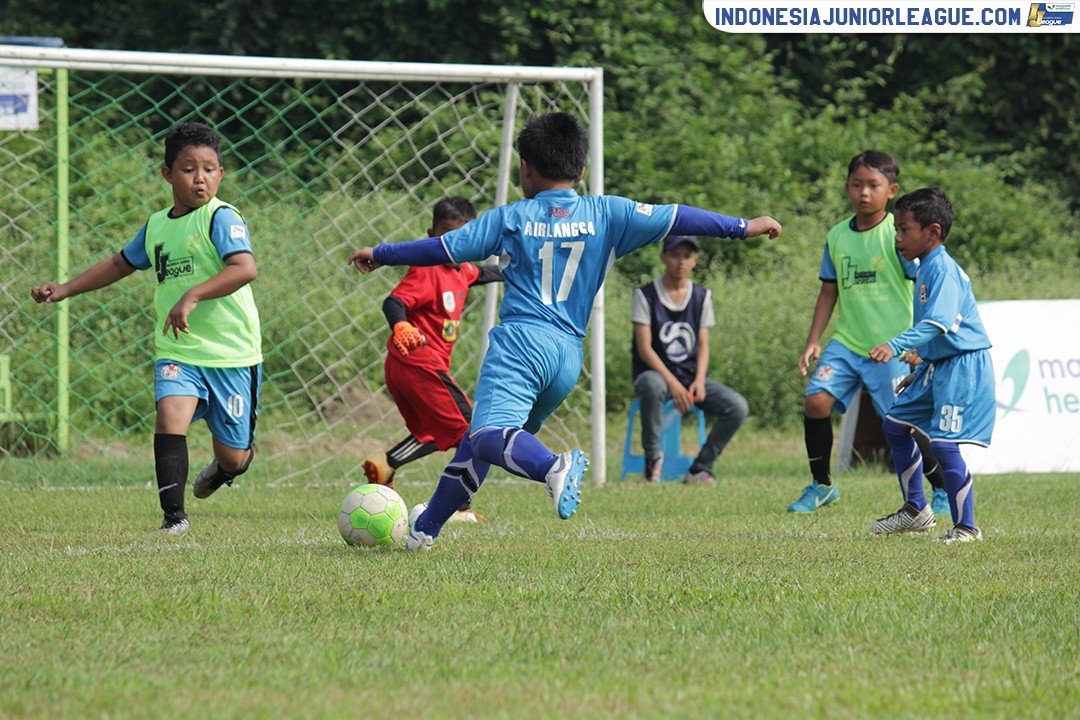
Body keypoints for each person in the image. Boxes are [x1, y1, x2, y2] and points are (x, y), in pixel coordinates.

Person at [348, 111, 781, 551]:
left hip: (521, 345)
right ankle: (427, 528)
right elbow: (679, 217)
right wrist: (742, 227)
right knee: (483, 441)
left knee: (486, 435)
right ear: (581, 170)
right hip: (566, 358)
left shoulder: (511, 218)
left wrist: (382, 253)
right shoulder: (610, 212)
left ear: (525, 170)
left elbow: (441, 248)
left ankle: (553, 466)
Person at [31, 122, 262, 534]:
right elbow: (121, 262)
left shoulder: (221, 218)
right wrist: (65, 288)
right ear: (167, 174)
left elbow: (244, 269)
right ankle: (174, 519)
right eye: (189, 168)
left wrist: (191, 296)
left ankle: (227, 469)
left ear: (221, 175)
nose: (200, 178)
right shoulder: (157, 224)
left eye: (210, 169)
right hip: (179, 348)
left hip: (231, 353)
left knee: (233, 456)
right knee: (169, 415)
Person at [789, 150, 947, 514]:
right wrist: (814, 339)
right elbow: (829, 289)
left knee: (905, 421)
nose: (864, 192)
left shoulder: (900, 233)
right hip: (847, 342)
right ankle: (821, 486)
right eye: (857, 184)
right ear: (846, 187)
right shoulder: (836, 237)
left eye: (872, 185)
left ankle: (939, 488)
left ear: (891, 190)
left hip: (890, 347)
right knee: (815, 402)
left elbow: (922, 284)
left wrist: (917, 342)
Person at [362, 196, 502, 523]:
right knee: (472, 427)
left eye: (462, 237)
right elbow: (393, 301)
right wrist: (400, 324)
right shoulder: (428, 270)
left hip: (407, 366)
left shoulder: (462, 270)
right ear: (430, 236)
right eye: (445, 235)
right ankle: (458, 507)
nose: (453, 243)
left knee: (435, 431)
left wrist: (519, 269)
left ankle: (387, 463)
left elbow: (480, 273)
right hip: (417, 361)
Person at [869, 187, 993, 542]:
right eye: (897, 229)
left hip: (961, 366)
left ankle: (967, 528)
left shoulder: (944, 270)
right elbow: (937, 334)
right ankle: (916, 511)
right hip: (936, 365)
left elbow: (937, 324)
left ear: (932, 232)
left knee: (943, 444)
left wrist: (894, 346)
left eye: (905, 230)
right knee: (895, 426)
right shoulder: (925, 268)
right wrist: (919, 368)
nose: (898, 238)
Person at [630, 234, 748, 483]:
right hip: (655, 374)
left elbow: (703, 343)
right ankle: (653, 459)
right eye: (674, 255)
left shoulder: (701, 296)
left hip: (690, 377)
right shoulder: (645, 295)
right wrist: (674, 384)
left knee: (737, 406)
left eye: (686, 256)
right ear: (663, 258)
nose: (680, 262)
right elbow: (644, 348)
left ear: (695, 260)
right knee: (652, 385)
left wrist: (699, 381)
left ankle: (699, 468)